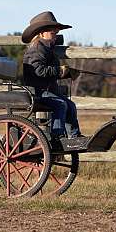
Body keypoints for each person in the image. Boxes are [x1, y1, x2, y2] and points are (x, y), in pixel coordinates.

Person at [22, 11, 86, 149]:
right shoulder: (37, 48)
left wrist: (66, 73)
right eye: (52, 33)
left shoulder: (47, 48)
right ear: (41, 33)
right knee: (60, 104)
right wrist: (60, 71)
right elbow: (39, 71)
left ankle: (74, 136)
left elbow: (50, 70)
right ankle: (57, 137)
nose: (55, 35)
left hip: (46, 89)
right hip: (37, 91)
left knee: (70, 105)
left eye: (56, 32)